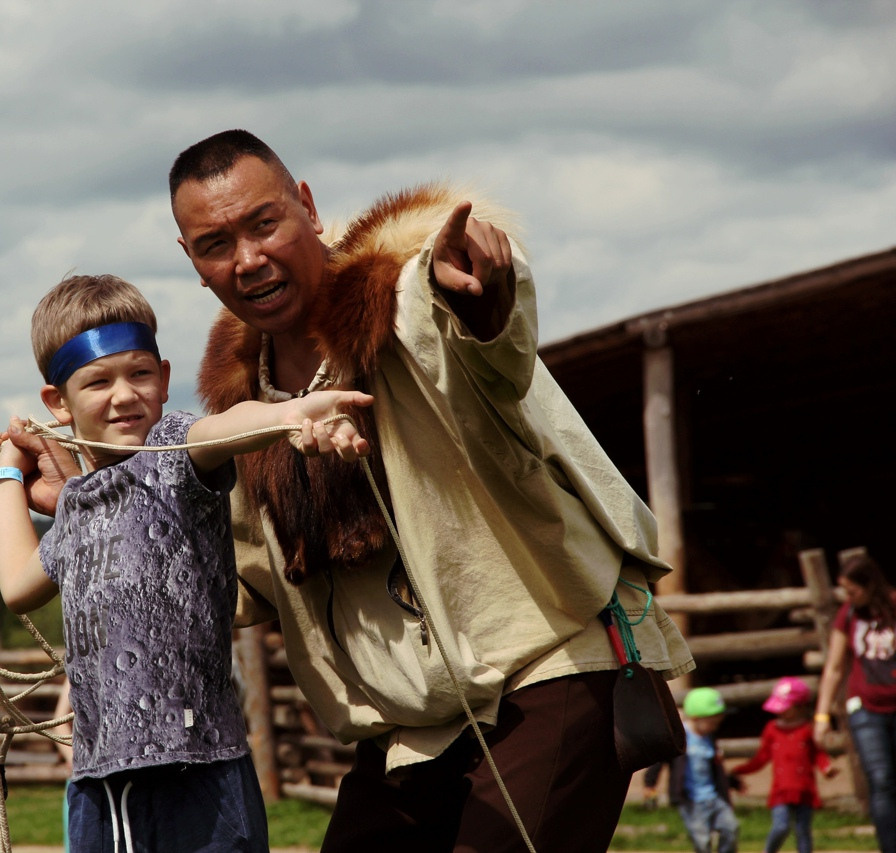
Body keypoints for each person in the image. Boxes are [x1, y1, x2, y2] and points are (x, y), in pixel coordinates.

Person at [160, 128, 694, 852]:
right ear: (194, 263)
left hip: (549, 666)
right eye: (215, 243)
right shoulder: (244, 409)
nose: (248, 259)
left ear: (308, 208)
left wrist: (480, 293)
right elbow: (240, 584)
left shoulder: (408, 299)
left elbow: (489, 345)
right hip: (413, 727)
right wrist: (100, 505)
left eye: (264, 223)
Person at [0, 273, 372, 852]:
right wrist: (3, 472)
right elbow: (18, 584)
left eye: (139, 373)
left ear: (164, 380)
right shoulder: (77, 506)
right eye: (97, 382)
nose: (123, 394)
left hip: (204, 773)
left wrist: (292, 415)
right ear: (56, 404)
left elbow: (225, 428)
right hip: (102, 784)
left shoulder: (176, 455)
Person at [814, 553, 896, 853]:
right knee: (881, 779)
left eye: (852, 591)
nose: (848, 597)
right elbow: (834, 668)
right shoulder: (847, 615)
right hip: (865, 709)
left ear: (870, 584)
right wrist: (822, 716)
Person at [732, 676, 836, 853]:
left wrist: (826, 767)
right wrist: (740, 770)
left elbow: (818, 754)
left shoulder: (808, 729)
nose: (780, 712)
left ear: (800, 707)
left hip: (804, 790)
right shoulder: (772, 729)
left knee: (803, 831)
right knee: (781, 826)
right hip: (781, 790)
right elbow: (762, 757)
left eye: (786, 707)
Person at [654, 687, 741, 853]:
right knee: (703, 840)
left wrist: (733, 782)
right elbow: (659, 761)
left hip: (714, 798)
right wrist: (650, 783)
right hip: (692, 800)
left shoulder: (710, 738)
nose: (715, 727)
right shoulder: (680, 738)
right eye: (712, 722)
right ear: (695, 718)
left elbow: (714, 769)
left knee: (731, 828)